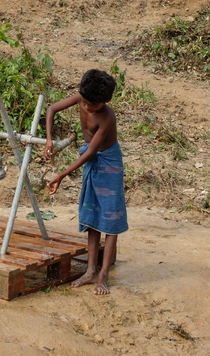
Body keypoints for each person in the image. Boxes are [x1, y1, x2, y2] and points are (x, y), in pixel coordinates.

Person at [45, 69, 127, 295]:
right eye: (86, 103)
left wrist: (61, 175)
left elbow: (91, 152)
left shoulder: (108, 117)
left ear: (105, 102)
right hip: (90, 159)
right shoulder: (81, 98)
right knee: (91, 214)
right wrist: (49, 139)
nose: (88, 108)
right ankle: (90, 271)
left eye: (94, 106)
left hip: (108, 163)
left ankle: (103, 275)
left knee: (110, 218)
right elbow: (51, 109)